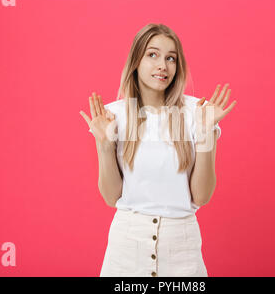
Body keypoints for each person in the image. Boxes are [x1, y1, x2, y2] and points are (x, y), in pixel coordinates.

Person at [79, 23, 236, 277]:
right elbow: (111, 197)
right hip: (126, 251)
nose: (163, 65)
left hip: (182, 250)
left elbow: (201, 196)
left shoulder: (199, 112)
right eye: (152, 55)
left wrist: (206, 133)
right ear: (136, 61)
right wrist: (105, 146)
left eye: (170, 58)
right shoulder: (113, 115)